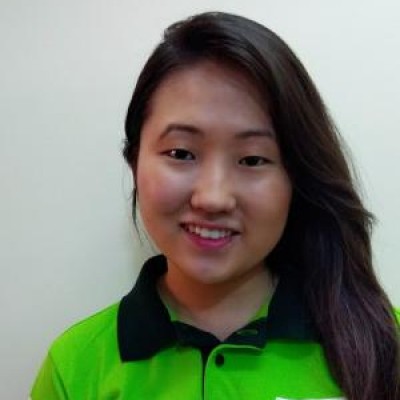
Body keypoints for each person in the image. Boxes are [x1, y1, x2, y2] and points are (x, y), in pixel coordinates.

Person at [31, 11, 400, 400]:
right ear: (134, 160)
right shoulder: (75, 368)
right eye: (181, 153)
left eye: (252, 159)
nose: (213, 197)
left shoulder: (385, 347)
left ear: (296, 177)